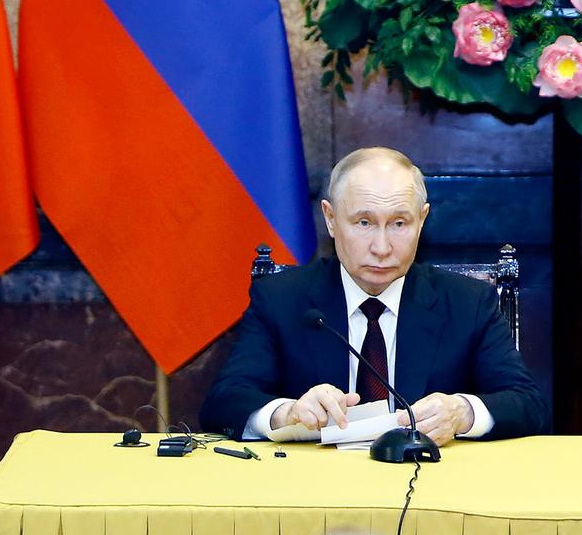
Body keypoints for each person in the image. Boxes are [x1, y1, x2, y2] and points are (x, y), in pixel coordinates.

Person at [201, 147, 549, 442]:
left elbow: (528, 405)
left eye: (399, 223)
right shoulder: (280, 299)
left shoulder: (468, 302)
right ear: (331, 219)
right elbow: (223, 403)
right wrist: (286, 414)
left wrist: (463, 412)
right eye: (364, 223)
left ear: (422, 220)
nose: (382, 248)